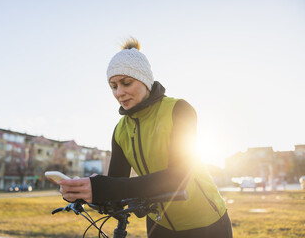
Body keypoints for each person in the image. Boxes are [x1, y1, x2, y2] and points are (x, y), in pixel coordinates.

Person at [58, 37, 233, 238]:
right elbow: (117, 187)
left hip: (206, 223)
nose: (119, 93)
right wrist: (84, 192)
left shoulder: (178, 110)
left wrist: (104, 187)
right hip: (160, 226)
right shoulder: (120, 131)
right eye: (113, 86)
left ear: (144, 80)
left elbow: (177, 178)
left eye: (126, 83)